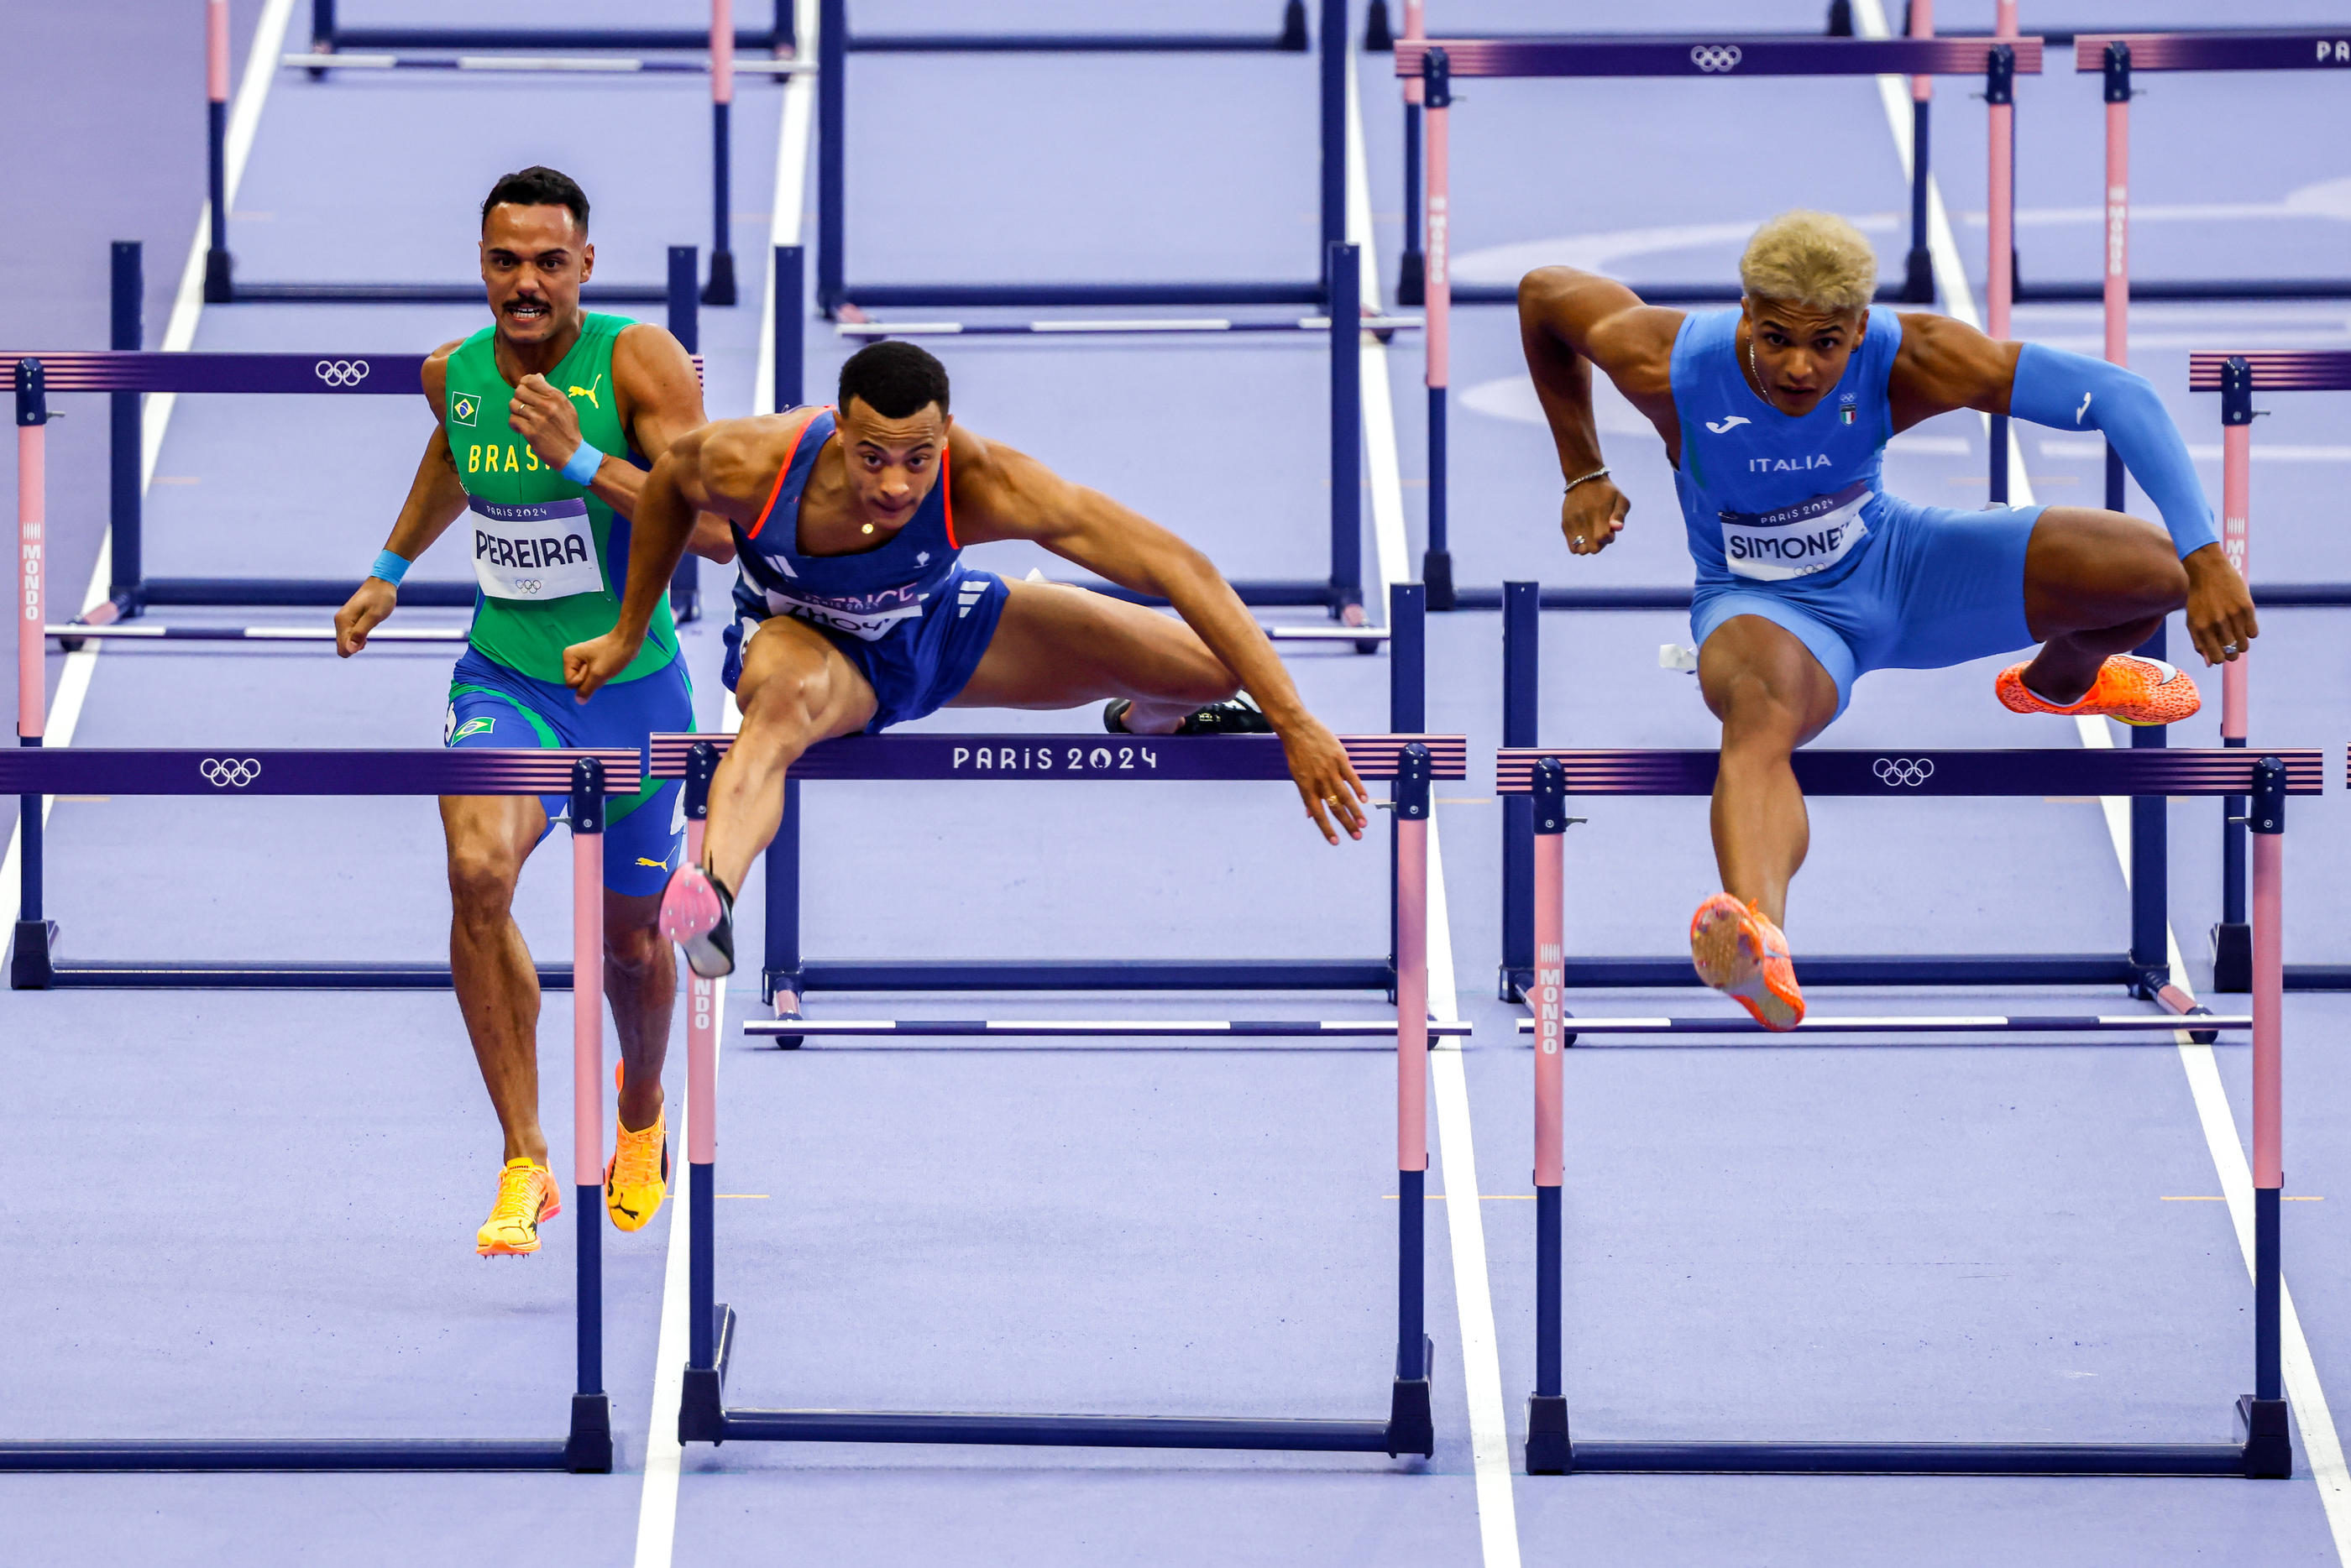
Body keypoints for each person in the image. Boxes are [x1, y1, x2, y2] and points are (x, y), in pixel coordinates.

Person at [1516, 210, 2257, 1031]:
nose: (1799, 367)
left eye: (1826, 344)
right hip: (1766, 609)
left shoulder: (1913, 357)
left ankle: (2060, 681)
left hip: (1902, 567)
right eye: (1775, 339)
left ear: (1860, 329)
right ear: (1745, 314)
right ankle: (1758, 936)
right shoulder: (1666, 360)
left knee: (2157, 570)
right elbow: (1543, 297)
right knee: (1759, 714)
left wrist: (2206, 555)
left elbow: (2119, 394)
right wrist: (1581, 467)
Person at [558, 340, 1371, 980]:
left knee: (1211, 667)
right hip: (816, 650)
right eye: (872, 455)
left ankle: (1149, 716)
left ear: (943, 437)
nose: (896, 483)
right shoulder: (754, 462)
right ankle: (713, 895)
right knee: (775, 713)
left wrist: (1295, 720)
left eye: (918, 458)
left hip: (946, 626)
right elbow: (668, 485)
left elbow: (1177, 566)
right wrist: (630, 630)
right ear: (838, 429)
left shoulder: (984, 481)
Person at [334, 166, 735, 1254]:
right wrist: (389, 565)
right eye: (506, 261)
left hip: (634, 693)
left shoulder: (637, 363)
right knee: (476, 877)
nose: (526, 282)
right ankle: (525, 1156)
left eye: (549, 262)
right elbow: (455, 460)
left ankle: (640, 1113)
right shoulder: (453, 375)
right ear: (481, 263)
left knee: (637, 946)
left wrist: (583, 459)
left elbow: (714, 531)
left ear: (585, 268)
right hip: (506, 685)